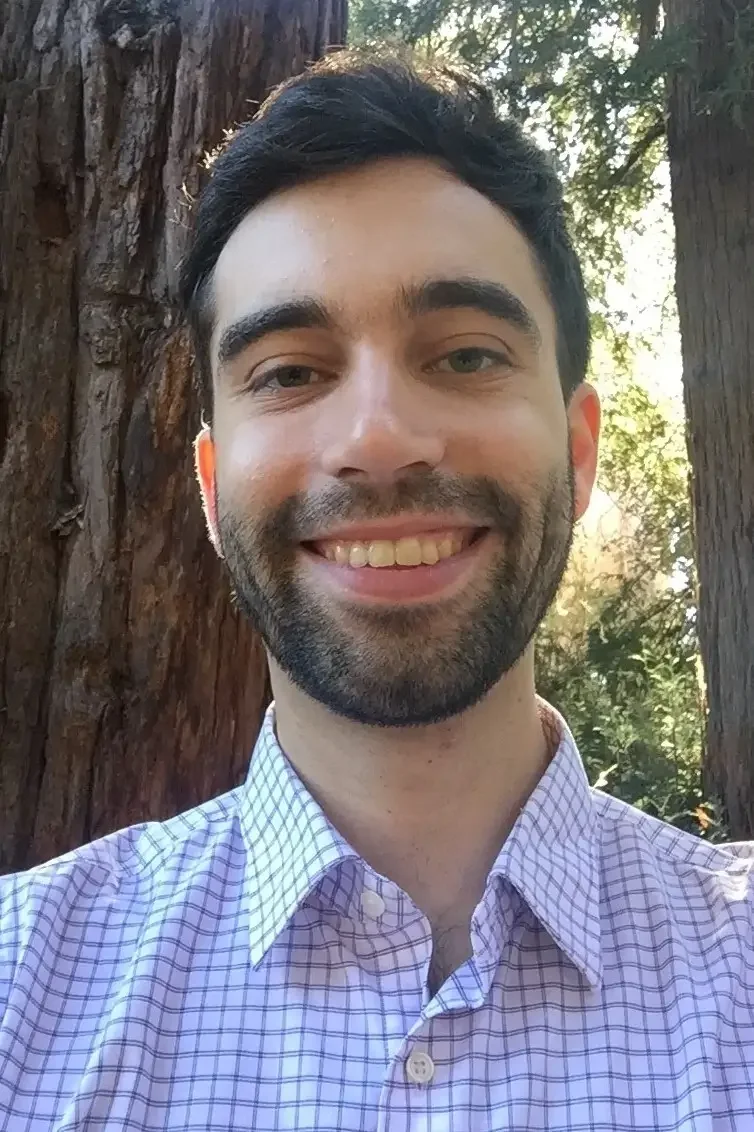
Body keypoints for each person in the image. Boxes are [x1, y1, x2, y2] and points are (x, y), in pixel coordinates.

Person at [1, 44, 752, 1132]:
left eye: (464, 355)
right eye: (291, 371)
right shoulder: (24, 987)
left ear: (578, 452)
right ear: (214, 492)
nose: (379, 441)